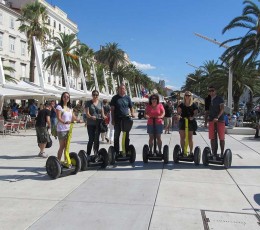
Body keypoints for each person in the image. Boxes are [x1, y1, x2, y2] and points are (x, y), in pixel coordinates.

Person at [111, 84, 135, 155]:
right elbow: (112, 109)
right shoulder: (115, 98)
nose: (122, 90)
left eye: (123, 89)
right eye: (120, 88)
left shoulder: (127, 98)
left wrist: (132, 113)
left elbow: (131, 107)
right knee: (116, 136)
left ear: (125, 90)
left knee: (126, 137)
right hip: (117, 119)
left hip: (126, 119)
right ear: (118, 89)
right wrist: (112, 119)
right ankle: (116, 152)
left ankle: (126, 151)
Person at [56, 92, 78, 161]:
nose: (66, 98)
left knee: (67, 147)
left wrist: (79, 120)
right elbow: (59, 117)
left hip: (69, 129)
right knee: (62, 146)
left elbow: (73, 117)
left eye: (67, 97)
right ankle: (58, 162)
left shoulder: (70, 107)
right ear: (62, 98)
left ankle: (66, 161)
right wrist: (64, 122)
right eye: (64, 97)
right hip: (61, 129)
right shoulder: (59, 107)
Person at [85, 90, 106, 155]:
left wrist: (105, 116)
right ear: (92, 95)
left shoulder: (101, 103)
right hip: (90, 124)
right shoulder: (88, 103)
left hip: (98, 124)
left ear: (98, 96)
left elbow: (102, 113)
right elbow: (87, 114)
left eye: (96, 95)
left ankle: (96, 154)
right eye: (94, 94)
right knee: (91, 140)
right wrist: (91, 117)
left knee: (96, 140)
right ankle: (88, 154)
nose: (95, 96)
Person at [177, 91, 198, 155]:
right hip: (183, 121)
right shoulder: (181, 104)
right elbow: (178, 112)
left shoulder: (193, 105)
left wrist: (193, 117)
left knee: (190, 138)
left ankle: (191, 152)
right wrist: (178, 116)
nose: (187, 96)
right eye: (186, 95)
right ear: (184, 96)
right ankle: (183, 151)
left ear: (191, 96)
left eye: (189, 95)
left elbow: (196, 112)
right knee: (182, 137)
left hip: (190, 122)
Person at [208, 86, 225, 156]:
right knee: (212, 138)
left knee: (221, 137)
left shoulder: (220, 99)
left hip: (220, 120)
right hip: (211, 120)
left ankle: (222, 153)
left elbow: (222, 109)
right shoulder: (208, 100)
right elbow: (207, 111)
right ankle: (213, 153)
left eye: (212, 90)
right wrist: (205, 121)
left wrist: (217, 117)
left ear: (215, 91)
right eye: (210, 91)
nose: (211, 92)